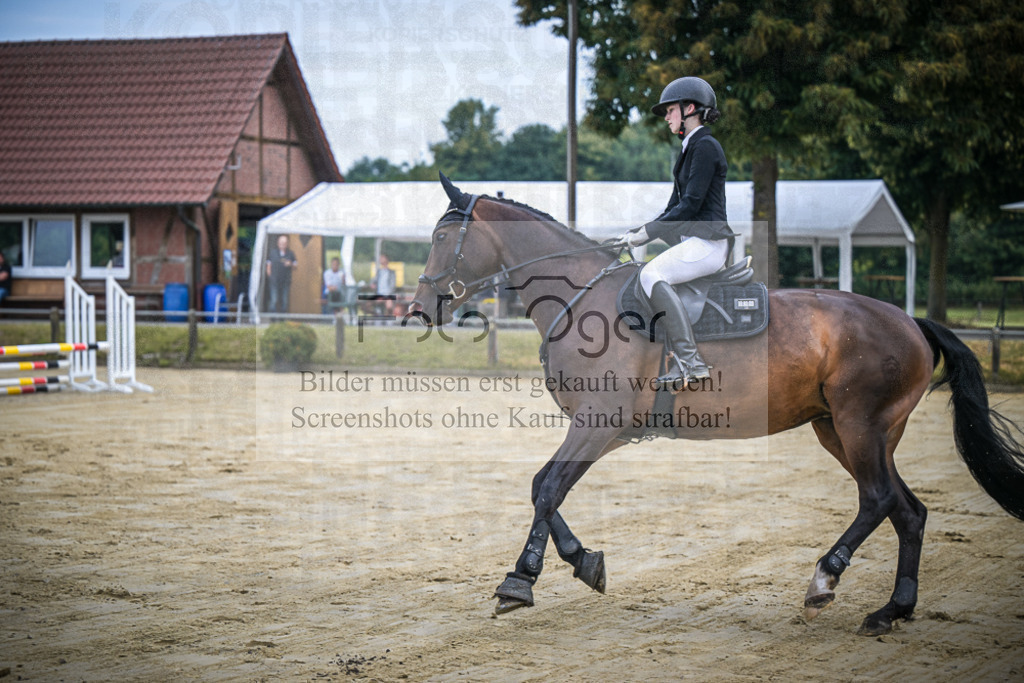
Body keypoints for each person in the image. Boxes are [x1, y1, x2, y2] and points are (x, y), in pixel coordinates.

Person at [618, 76, 734, 388]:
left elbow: (692, 204)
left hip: (709, 243)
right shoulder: (689, 149)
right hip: (695, 241)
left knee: (650, 275)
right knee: (648, 272)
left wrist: (648, 234)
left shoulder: (705, 147)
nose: (666, 117)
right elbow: (673, 207)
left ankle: (691, 362)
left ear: (690, 108)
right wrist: (637, 231)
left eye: (670, 110)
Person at [266, 235, 298, 314]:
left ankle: (282, 319)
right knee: (274, 299)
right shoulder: (273, 253)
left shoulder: (291, 253)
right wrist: (270, 276)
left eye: (284, 243)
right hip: (274, 281)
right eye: (281, 243)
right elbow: (268, 265)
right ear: (278, 243)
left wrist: (290, 264)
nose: (283, 244)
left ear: (287, 244)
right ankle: (272, 320)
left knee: (285, 301)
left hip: (285, 281)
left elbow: (296, 266)